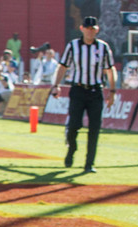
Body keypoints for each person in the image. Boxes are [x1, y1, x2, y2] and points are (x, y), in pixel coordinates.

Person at [51, 16, 116, 174]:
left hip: (95, 91)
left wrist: (112, 91)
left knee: (94, 128)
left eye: (93, 29)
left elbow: (110, 69)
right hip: (78, 90)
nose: (90, 31)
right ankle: (72, 148)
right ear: (82, 29)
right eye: (87, 28)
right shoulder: (73, 46)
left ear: (97, 30)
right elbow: (63, 66)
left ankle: (89, 163)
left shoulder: (103, 47)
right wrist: (56, 85)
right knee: (74, 125)